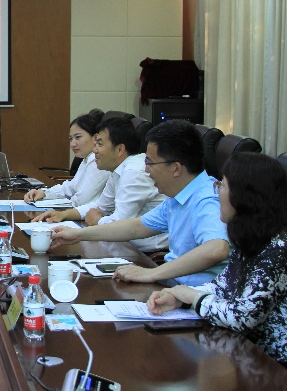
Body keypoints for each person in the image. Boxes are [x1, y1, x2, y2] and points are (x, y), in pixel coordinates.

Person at [147, 153, 287, 376]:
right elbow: (222, 286)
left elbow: (243, 318)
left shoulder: (277, 249)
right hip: (246, 350)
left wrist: (192, 296)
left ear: (244, 197)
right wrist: (178, 296)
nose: (217, 192)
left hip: (280, 364)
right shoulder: (251, 238)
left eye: (222, 185)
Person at [48, 119, 229, 286]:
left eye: (150, 163)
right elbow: (136, 227)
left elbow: (217, 249)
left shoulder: (207, 199)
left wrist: (153, 273)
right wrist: (78, 234)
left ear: (175, 168)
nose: (146, 170)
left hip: (194, 298)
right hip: (170, 289)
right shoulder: (178, 197)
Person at [32, 117, 168, 252]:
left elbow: (119, 224)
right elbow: (99, 206)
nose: (94, 150)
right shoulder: (118, 170)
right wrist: (63, 215)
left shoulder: (134, 172)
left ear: (120, 149)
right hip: (122, 243)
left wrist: (98, 221)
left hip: (144, 252)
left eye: (100, 144)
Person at [23, 110, 109, 208]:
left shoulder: (98, 161)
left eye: (78, 137)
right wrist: (44, 193)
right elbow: (70, 187)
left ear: (95, 137)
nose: (73, 144)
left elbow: (80, 200)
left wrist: (51, 204)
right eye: (70, 139)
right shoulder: (87, 158)